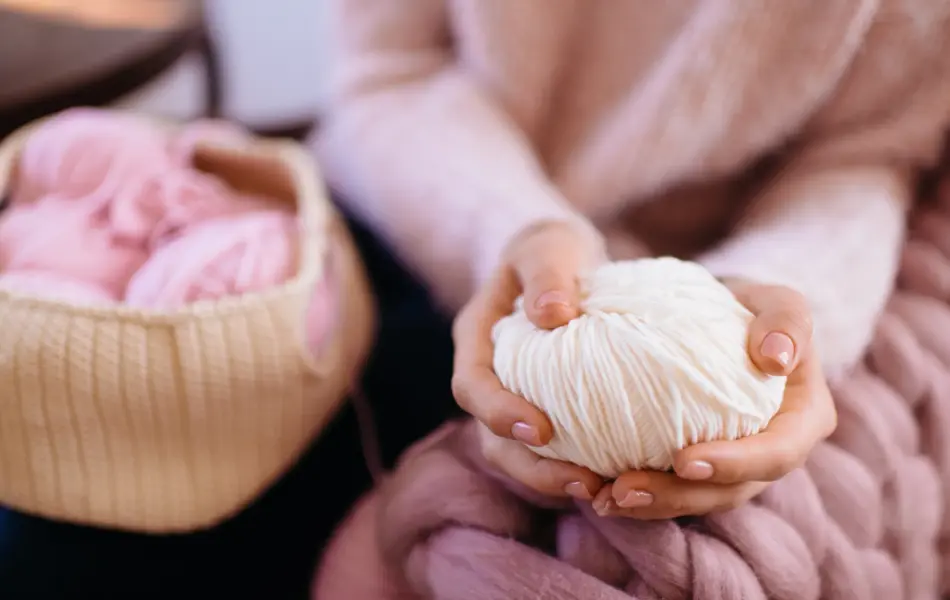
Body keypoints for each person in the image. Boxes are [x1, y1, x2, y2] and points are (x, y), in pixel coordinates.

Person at [316, 0, 950, 519]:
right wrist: (512, 229)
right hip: (420, 223)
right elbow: (391, 73)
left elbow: (865, 153)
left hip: (723, 289)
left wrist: (781, 294)